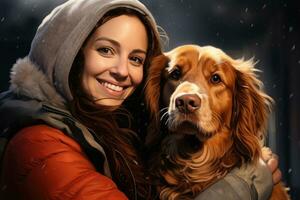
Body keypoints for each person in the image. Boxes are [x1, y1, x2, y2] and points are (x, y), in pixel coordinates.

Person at [0, 0, 281, 199]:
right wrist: (242, 187)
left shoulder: (120, 133)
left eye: (136, 58)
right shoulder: (38, 145)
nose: (123, 71)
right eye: (106, 50)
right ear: (69, 53)